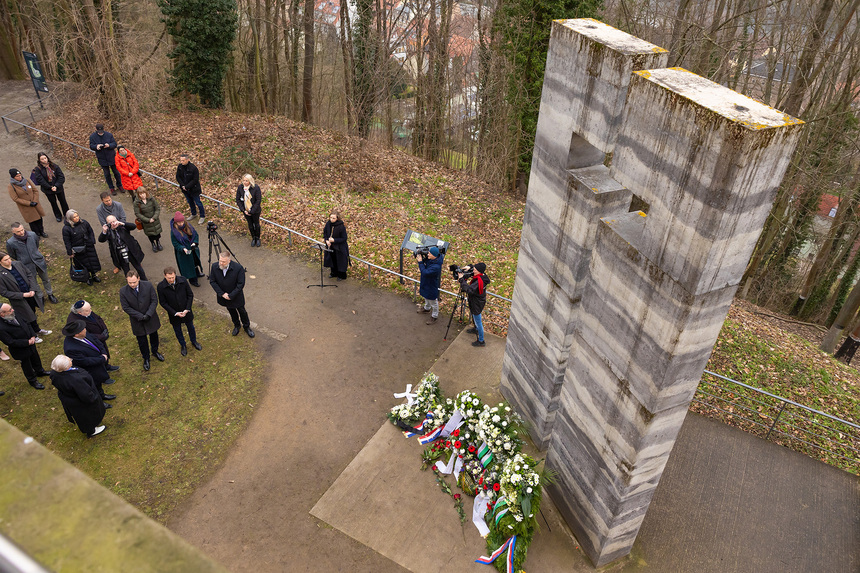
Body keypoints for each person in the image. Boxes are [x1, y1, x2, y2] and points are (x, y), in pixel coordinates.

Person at [62, 320, 115, 408]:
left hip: (98, 364)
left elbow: (96, 341)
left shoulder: (84, 334)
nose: (85, 329)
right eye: (83, 329)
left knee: (99, 384)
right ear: (76, 334)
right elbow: (85, 361)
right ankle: (100, 403)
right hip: (90, 371)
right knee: (94, 386)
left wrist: (103, 352)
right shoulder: (70, 348)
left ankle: (102, 395)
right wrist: (101, 358)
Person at [50, 354, 106, 438]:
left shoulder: (54, 373)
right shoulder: (75, 379)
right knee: (87, 415)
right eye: (69, 360)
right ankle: (91, 431)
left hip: (70, 399)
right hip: (80, 401)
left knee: (80, 416)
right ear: (65, 367)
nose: (71, 360)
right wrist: (94, 398)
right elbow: (86, 394)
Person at [119, 270, 163, 370]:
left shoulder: (147, 285)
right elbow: (126, 307)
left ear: (138, 278)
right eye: (130, 282)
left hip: (150, 317)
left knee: (154, 336)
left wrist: (148, 314)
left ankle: (155, 351)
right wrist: (140, 316)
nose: (132, 284)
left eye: (134, 282)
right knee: (142, 341)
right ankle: (146, 358)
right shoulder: (123, 291)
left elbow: (154, 300)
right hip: (137, 321)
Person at [0, 252, 50, 338]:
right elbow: (4, 292)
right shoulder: (1, 274)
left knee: (32, 312)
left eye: (9, 258)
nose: (9, 261)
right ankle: (33, 335)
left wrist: (32, 289)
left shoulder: (17, 264)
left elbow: (29, 274)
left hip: (31, 294)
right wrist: (22, 295)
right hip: (19, 300)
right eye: (6, 260)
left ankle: (37, 330)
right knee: (26, 318)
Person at [6, 222, 58, 303]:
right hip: (26, 265)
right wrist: (23, 259)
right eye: (18, 231)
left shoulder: (32, 235)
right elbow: (12, 254)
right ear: (13, 232)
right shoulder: (10, 243)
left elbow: (36, 245)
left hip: (38, 261)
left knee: (46, 279)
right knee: (33, 282)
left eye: (22, 230)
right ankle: (40, 297)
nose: (22, 232)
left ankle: (50, 294)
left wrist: (35, 255)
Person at [0, 303, 48, 389]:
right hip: (20, 349)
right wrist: (27, 342)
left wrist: (33, 335)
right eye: (10, 310)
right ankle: (33, 381)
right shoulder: (1, 327)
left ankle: (40, 371)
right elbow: (10, 342)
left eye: (11, 308)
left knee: (35, 357)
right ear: (2, 314)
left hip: (31, 341)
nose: (13, 310)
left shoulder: (15, 313)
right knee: (27, 365)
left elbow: (27, 323)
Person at [158, 266, 202, 356]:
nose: (171, 279)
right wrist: (174, 313)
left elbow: (190, 295)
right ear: (164, 276)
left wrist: (187, 308)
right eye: (169, 278)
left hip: (186, 311)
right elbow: (163, 302)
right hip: (174, 314)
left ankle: (194, 341)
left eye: (173, 277)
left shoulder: (183, 280)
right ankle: (183, 345)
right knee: (178, 330)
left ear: (175, 275)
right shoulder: (161, 287)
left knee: (191, 327)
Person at [209, 251, 254, 338]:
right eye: (220, 261)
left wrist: (231, 295)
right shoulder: (214, 266)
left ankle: (246, 327)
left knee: (242, 311)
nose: (221, 263)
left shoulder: (238, 268)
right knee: (231, 311)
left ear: (229, 261)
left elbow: (240, 284)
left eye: (223, 261)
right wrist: (222, 294)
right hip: (224, 297)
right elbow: (212, 281)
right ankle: (237, 325)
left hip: (236, 296)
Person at [67, 300, 119, 373]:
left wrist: (104, 328)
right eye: (88, 310)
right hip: (91, 343)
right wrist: (101, 337)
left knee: (104, 351)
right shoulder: (74, 322)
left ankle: (106, 366)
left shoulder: (87, 312)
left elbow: (98, 318)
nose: (91, 311)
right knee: (98, 357)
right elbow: (86, 335)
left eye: (90, 309)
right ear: (79, 312)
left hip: (100, 337)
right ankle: (103, 373)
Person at [99, 215, 147, 280]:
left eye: (114, 221)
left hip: (130, 250)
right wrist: (104, 231)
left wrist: (123, 224)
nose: (113, 224)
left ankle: (144, 281)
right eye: (111, 223)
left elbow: (133, 226)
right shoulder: (109, 231)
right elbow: (101, 240)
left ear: (116, 220)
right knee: (126, 270)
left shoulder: (122, 226)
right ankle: (130, 282)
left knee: (138, 267)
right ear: (108, 224)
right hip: (119, 253)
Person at [62, 209, 102, 285]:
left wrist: (92, 240)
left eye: (77, 216)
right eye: (74, 217)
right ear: (70, 218)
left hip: (88, 246)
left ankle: (94, 275)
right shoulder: (66, 229)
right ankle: (87, 277)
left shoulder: (84, 222)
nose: (77, 218)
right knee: (83, 264)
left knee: (92, 262)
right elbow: (67, 241)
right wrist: (70, 252)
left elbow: (90, 231)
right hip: (78, 250)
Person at [457, 263, 491, 347]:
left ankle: (481, 341)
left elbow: (468, 289)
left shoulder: (479, 282)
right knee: (475, 317)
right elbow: (474, 269)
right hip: (475, 301)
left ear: (479, 271)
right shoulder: (482, 275)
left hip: (477, 303)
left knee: (478, 321)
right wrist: (469, 267)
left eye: (475, 269)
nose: (473, 270)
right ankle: (475, 329)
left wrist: (461, 279)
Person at [8, 168, 46, 238]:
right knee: (32, 221)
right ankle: (36, 234)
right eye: (17, 176)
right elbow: (15, 198)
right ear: (13, 177)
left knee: (39, 219)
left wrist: (35, 200)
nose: (20, 177)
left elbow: (35, 191)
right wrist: (29, 203)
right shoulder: (11, 186)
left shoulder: (27, 180)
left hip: (35, 204)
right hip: (26, 207)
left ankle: (42, 231)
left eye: (20, 175)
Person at [32, 153, 69, 223]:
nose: (44, 160)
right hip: (48, 190)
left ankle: (67, 214)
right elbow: (41, 180)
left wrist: (56, 186)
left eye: (45, 158)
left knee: (63, 201)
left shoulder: (54, 166)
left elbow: (61, 177)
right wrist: (50, 187)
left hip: (58, 188)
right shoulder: (38, 169)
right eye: (42, 159)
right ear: (39, 160)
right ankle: (58, 215)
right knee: (53, 203)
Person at [88, 123, 123, 195]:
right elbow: (91, 146)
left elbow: (114, 144)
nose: (100, 133)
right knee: (107, 174)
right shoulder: (92, 136)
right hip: (102, 158)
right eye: (99, 131)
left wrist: (109, 145)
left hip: (111, 157)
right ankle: (111, 188)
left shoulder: (109, 135)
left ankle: (120, 185)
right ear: (96, 130)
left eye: (101, 131)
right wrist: (96, 147)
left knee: (116, 172)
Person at [170, 212, 202, 286]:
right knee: (189, 267)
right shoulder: (174, 232)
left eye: (182, 221)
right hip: (184, 253)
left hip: (192, 249)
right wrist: (182, 248)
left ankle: (197, 273)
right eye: (179, 222)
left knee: (195, 262)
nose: (181, 224)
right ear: (176, 222)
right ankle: (193, 281)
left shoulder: (188, 226)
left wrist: (194, 242)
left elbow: (195, 234)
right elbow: (175, 243)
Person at [416, 246, 444, 324]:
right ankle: (427, 308)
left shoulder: (436, 266)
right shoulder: (433, 259)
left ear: (434, 256)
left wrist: (420, 262)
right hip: (426, 282)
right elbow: (426, 262)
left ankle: (434, 316)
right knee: (426, 296)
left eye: (429, 253)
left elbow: (425, 272)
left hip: (431, 285)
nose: (428, 254)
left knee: (433, 301)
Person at [176, 154, 205, 225]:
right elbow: (178, 177)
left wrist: (187, 186)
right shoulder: (180, 167)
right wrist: (182, 185)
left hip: (194, 189)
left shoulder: (193, 168)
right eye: (181, 160)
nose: (181, 162)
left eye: (183, 160)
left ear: (187, 160)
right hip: (185, 189)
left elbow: (195, 180)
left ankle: (202, 216)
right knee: (190, 202)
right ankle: (193, 214)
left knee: (198, 203)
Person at [133, 187, 163, 253]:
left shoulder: (151, 199)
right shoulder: (137, 203)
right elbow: (137, 213)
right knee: (150, 234)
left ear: (146, 192)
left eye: (143, 193)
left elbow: (157, 208)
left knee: (157, 232)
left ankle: (158, 242)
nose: (142, 195)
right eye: (140, 194)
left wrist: (154, 217)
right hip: (146, 222)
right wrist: (147, 220)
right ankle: (153, 244)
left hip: (155, 220)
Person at [236, 174, 262, 247]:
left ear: (250, 181)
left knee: (256, 224)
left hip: (255, 210)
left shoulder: (256, 188)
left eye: (246, 181)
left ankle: (258, 238)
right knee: (250, 225)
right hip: (245, 210)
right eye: (243, 180)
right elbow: (238, 199)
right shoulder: (240, 188)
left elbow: (258, 200)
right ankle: (253, 237)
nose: (245, 182)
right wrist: (243, 210)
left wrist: (252, 211)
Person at [323, 211, 350, 281]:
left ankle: (341, 275)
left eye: (333, 218)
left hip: (340, 247)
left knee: (340, 261)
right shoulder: (328, 224)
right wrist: (326, 240)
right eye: (331, 217)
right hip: (331, 246)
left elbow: (344, 238)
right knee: (332, 260)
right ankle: (333, 273)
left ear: (337, 218)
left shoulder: (341, 227)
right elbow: (325, 233)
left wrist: (334, 240)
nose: (331, 219)